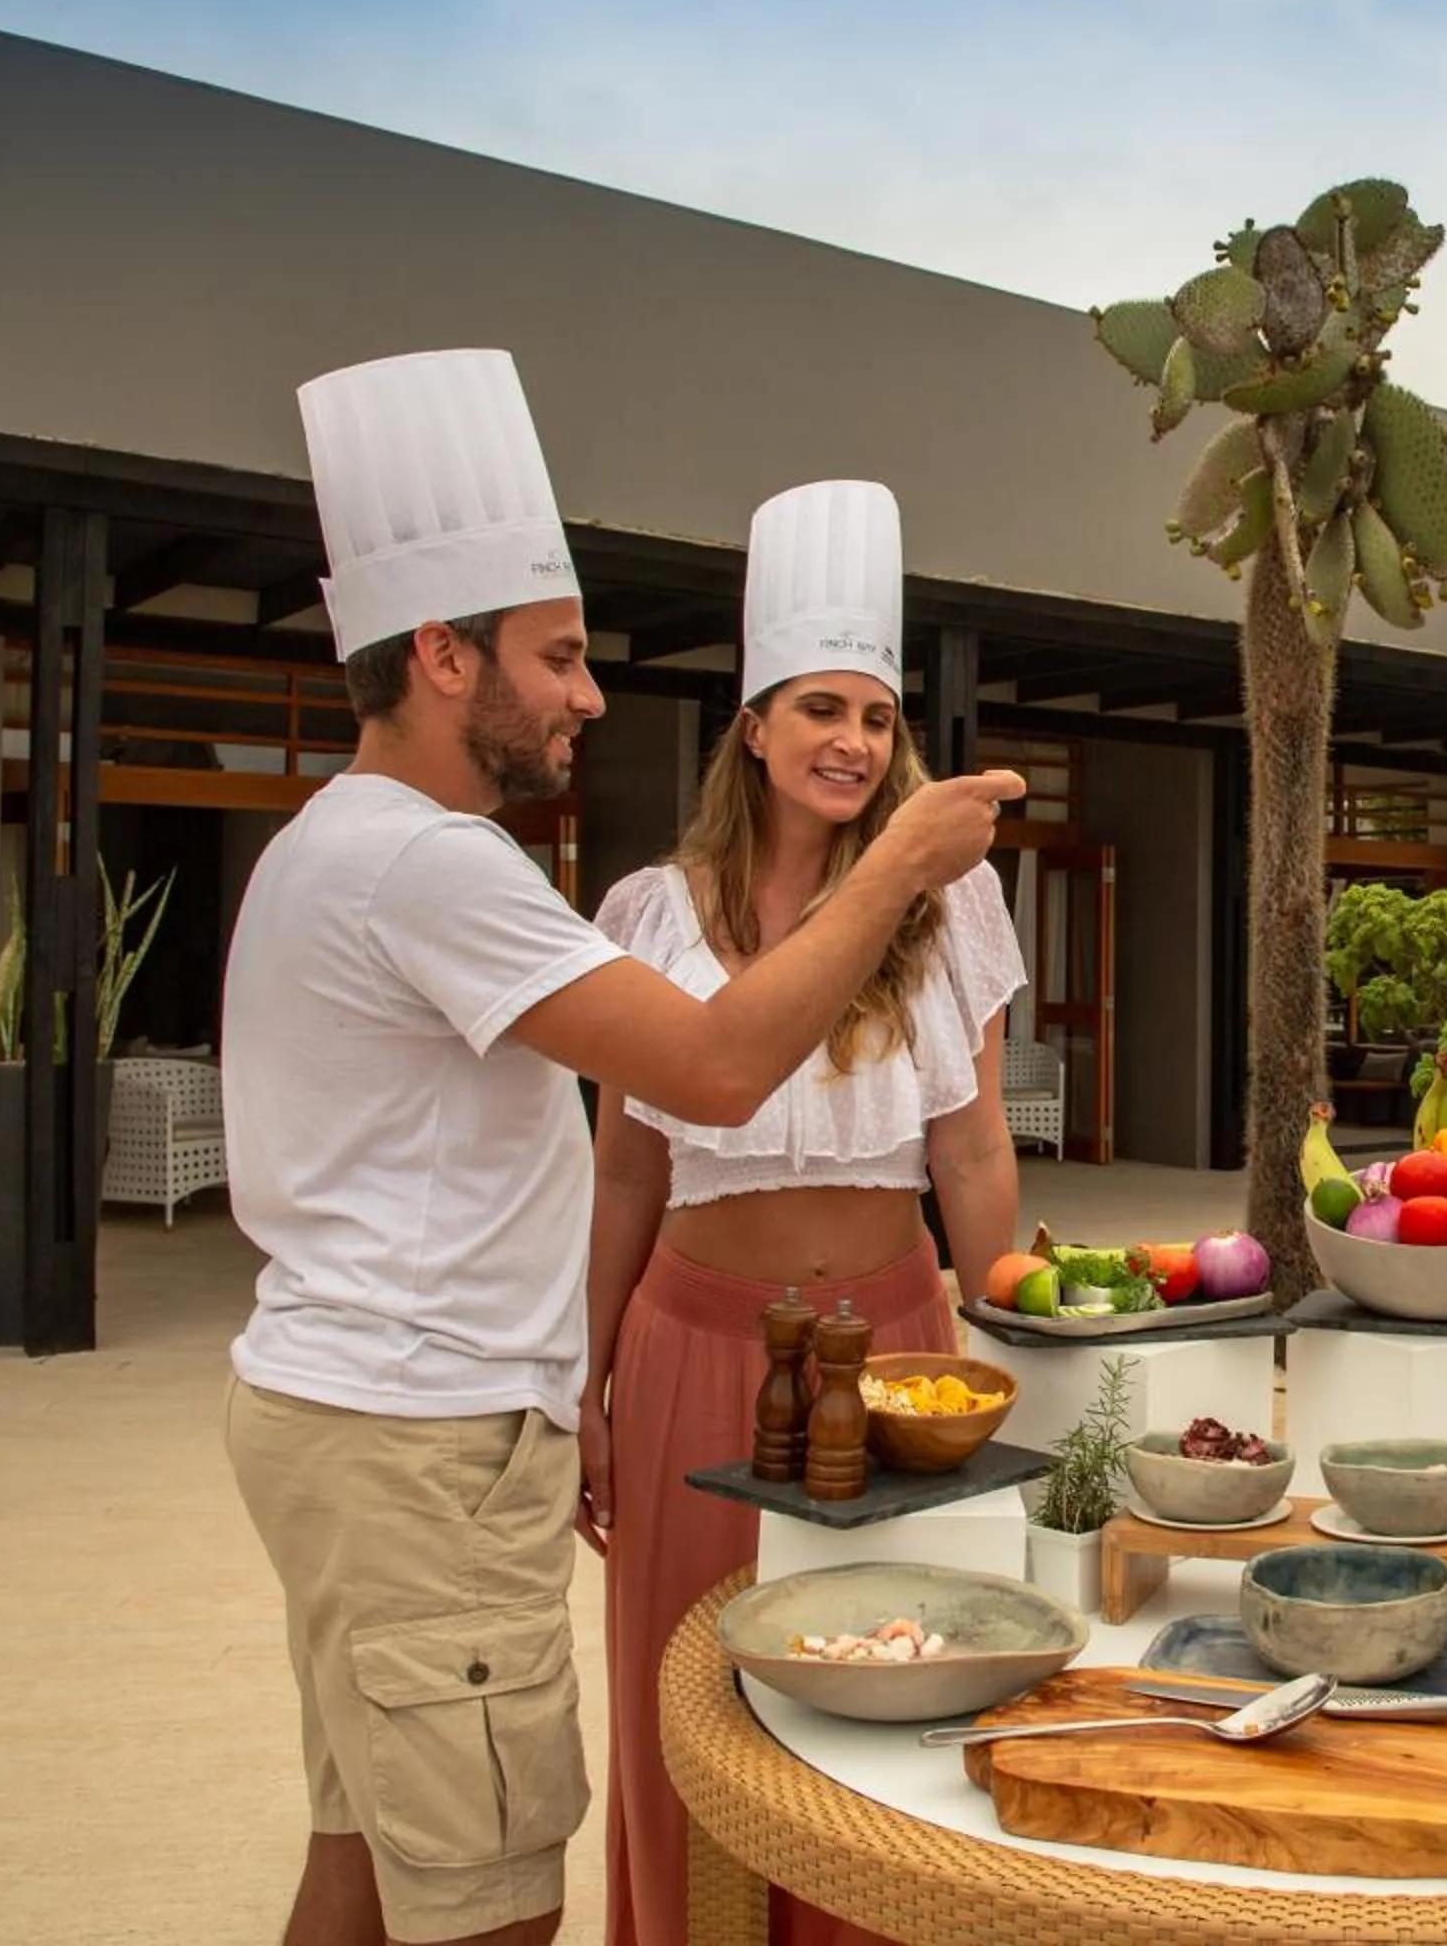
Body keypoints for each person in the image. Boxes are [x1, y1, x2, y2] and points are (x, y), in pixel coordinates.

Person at [220, 352, 1020, 1946]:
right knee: (491, 1894)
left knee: (371, 1849)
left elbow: (965, 1144)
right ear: (444, 657)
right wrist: (903, 868)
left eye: (879, 715)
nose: (589, 694)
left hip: (359, 1408)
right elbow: (709, 1080)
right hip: (422, 1440)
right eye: (560, 658)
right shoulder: (440, 871)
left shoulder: (344, 841)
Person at [581, 478, 1026, 1946]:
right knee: (693, 1702)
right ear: (754, 726)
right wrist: (588, 1376)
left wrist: (1010, 1341)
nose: (852, 743)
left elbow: (968, 1159)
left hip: (898, 1343)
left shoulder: (947, 905)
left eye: (877, 719)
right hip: (695, 1348)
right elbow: (628, 1170)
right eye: (821, 709)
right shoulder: (647, 913)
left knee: (881, 1698)